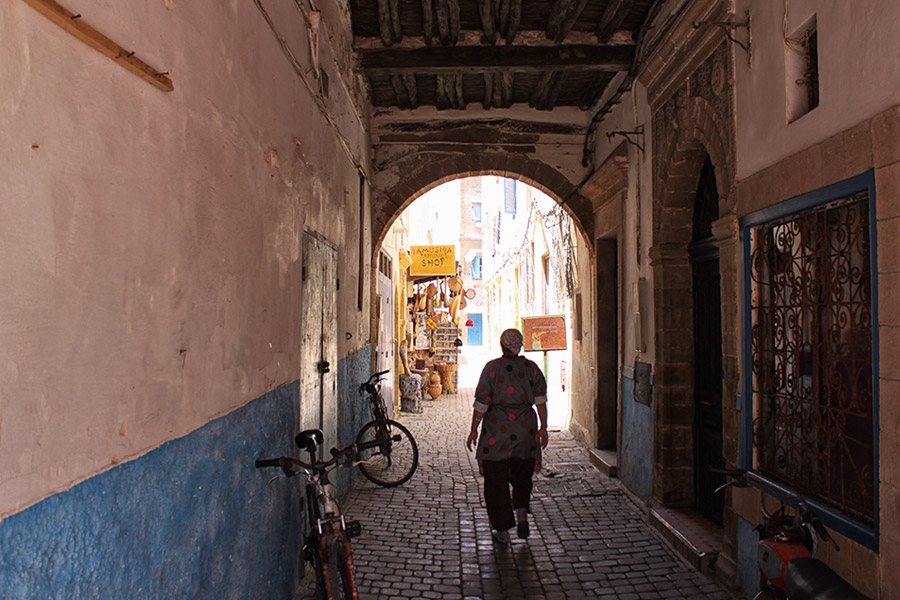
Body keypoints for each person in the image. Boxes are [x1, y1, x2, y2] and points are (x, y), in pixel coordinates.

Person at [466, 328, 549, 544]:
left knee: (495, 480)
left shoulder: (492, 369)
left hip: (497, 432)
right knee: (523, 474)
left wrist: (474, 428)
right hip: (525, 429)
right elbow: (541, 401)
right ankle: (521, 513)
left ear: (502, 346)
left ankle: (502, 531)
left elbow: (482, 403)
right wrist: (544, 427)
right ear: (520, 346)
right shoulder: (531, 369)